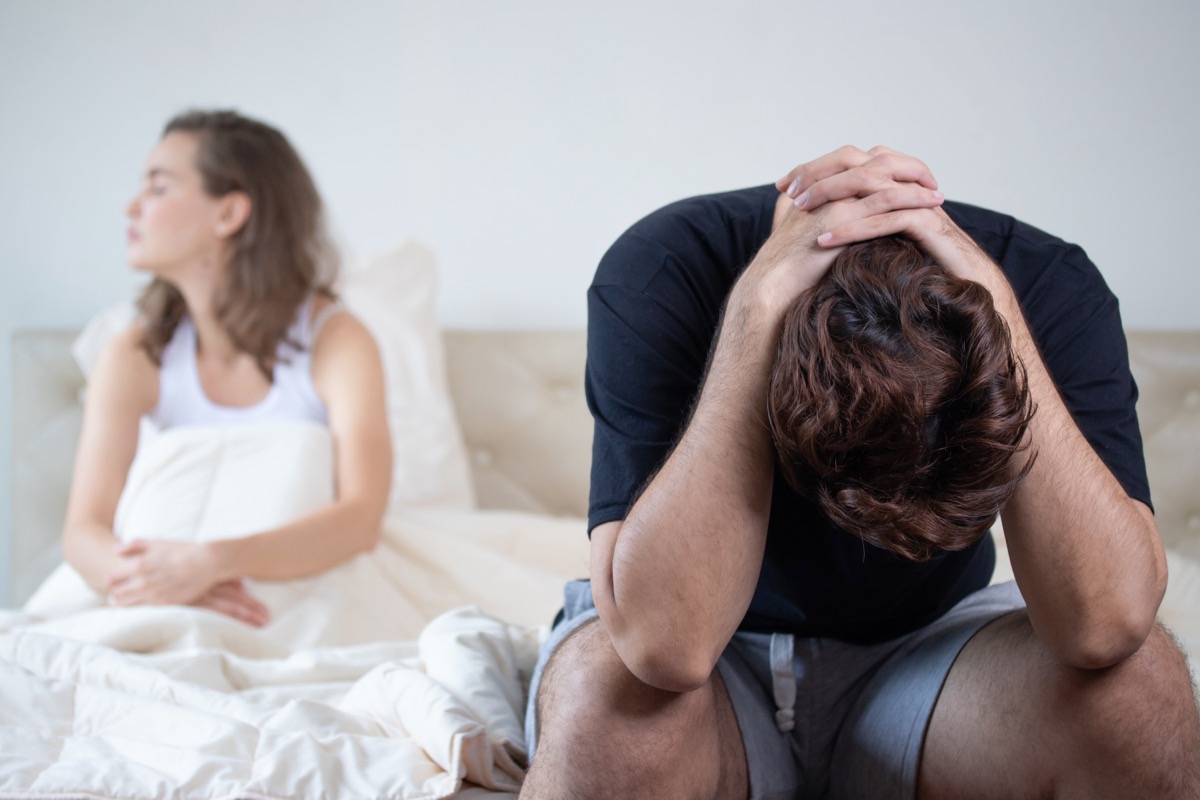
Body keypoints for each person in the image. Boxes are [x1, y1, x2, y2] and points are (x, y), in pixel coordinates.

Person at [520, 146, 1200, 799]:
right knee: (603, 700)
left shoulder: (1047, 280)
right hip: (716, 670)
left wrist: (1001, 311)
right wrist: (755, 314)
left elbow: (1106, 623)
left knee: (1140, 691)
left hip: (933, 664)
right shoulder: (665, 266)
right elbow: (661, 644)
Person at [61, 110, 392, 629]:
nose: (132, 206)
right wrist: (160, 585)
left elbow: (360, 519)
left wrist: (210, 564)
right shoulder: (133, 354)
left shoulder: (338, 341)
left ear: (229, 213)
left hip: (297, 596)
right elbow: (83, 532)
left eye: (159, 187)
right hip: (158, 596)